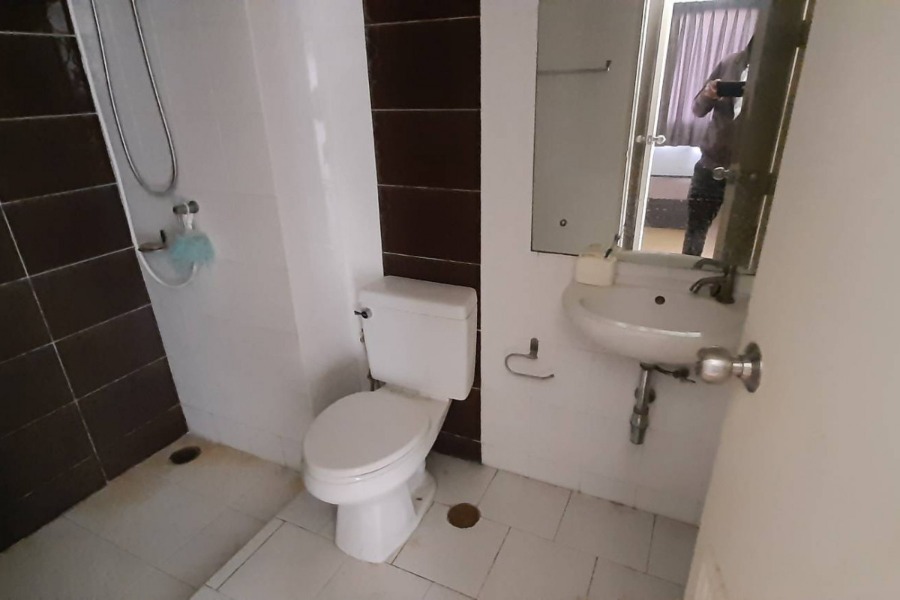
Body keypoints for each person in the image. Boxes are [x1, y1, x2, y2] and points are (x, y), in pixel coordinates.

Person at [682, 39, 753, 256]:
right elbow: (698, 109)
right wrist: (709, 95)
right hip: (711, 163)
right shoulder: (730, 63)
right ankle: (688, 270)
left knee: (740, 237)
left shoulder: (779, 73)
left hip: (750, 171)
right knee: (696, 229)